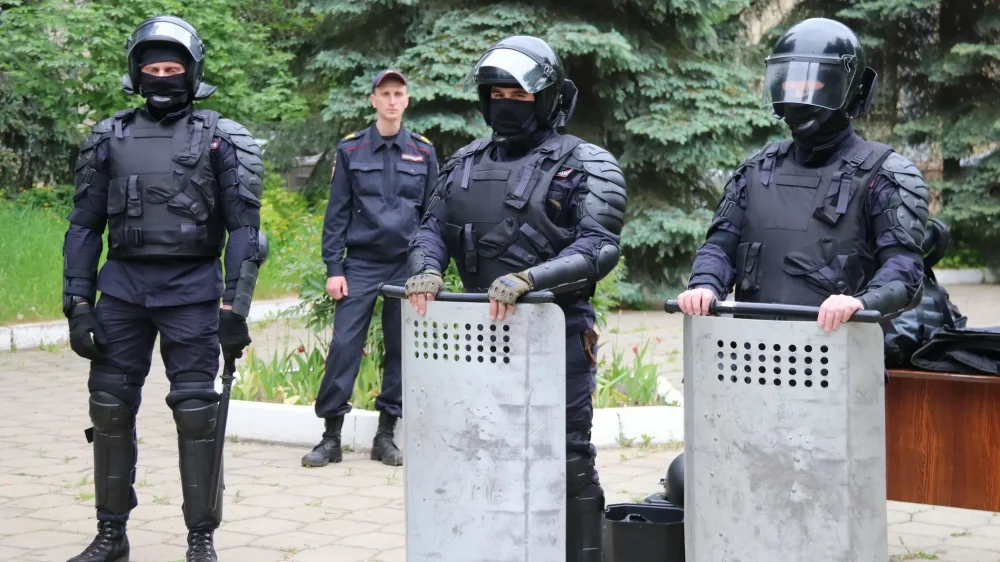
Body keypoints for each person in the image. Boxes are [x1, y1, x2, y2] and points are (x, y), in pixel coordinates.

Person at [404, 36, 627, 562]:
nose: (506, 103)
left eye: (520, 95)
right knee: (478, 451)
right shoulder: (463, 162)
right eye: (497, 93)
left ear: (547, 98)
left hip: (557, 340)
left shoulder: (587, 163)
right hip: (480, 336)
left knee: (566, 455)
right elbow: (431, 229)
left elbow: (598, 247)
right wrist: (427, 269)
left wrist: (531, 278)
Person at [62, 16, 267, 562]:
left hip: (193, 293)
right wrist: (77, 304)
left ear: (192, 72)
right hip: (121, 294)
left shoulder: (225, 138)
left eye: (172, 68)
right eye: (151, 69)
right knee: (109, 408)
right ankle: (111, 535)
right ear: (135, 74)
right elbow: (83, 227)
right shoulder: (107, 137)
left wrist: (234, 308)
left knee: (197, 414)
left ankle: (201, 538)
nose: (161, 77)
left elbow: (246, 231)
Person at [677, 18, 929, 330]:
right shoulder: (755, 169)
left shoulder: (884, 174)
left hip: (844, 349)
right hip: (753, 349)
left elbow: (905, 270)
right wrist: (704, 284)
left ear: (848, 88)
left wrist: (862, 302)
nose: (799, 95)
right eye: (790, 82)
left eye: (814, 84)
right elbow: (719, 247)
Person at [302, 69, 438, 469]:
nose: (392, 100)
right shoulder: (352, 150)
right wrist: (334, 268)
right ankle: (331, 437)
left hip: (406, 267)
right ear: (373, 100)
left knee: (400, 349)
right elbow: (337, 213)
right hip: (360, 264)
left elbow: (433, 215)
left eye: (399, 93)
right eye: (385, 94)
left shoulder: (423, 152)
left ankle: (386, 435)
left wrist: (429, 268)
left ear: (407, 100)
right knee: (344, 346)